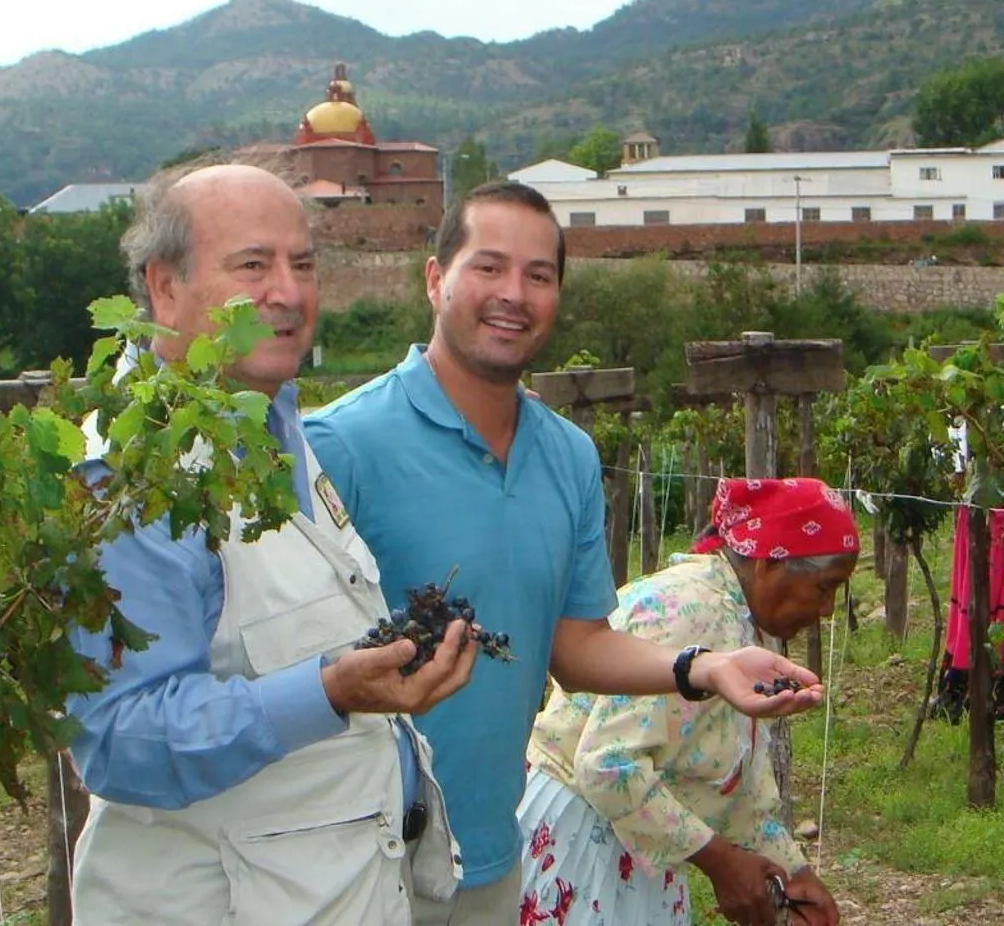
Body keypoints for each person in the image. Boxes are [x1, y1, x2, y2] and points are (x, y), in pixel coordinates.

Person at [304, 181, 824, 924]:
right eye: (487, 267)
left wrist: (702, 667)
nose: (512, 293)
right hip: (355, 857)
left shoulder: (568, 456)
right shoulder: (341, 446)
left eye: (537, 275)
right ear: (433, 278)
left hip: (490, 849)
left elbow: (575, 647)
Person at [64, 163, 477, 926]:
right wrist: (328, 692)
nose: (287, 292)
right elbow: (118, 739)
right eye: (252, 265)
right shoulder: (128, 477)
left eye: (303, 264)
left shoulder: (273, 420)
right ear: (163, 288)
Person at [517, 477, 853, 926]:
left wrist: (794, 872)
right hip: (581, 840)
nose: (827, 610)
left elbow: (730, 778)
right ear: (769, 566)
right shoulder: (698, 613)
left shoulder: (732, 616)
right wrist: (721, 862)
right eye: (824, 588)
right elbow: (608, 767)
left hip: (630, 838)